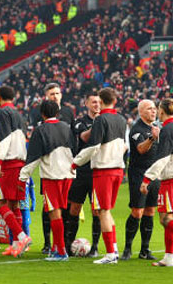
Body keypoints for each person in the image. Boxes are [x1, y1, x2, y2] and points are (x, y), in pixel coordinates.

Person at [72, 87, 127, 264]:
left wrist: (75, 162)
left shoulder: (100, 119)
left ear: (101, 102)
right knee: (107, 211)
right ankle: (115, 249)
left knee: (102, 211)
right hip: (118, 170)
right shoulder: (122, 119)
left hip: (103, 170)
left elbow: (93, 147)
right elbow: (124, 145)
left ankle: (110, 253)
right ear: (115, 101)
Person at [19, 100, 75, 261]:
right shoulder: (66, 128)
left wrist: (22, 178)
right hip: (68, 175)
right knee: (60, 211)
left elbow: (33, 158)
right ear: (57, 113)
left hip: (52, 176)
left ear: (42, 114)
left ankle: (61, 251)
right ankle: (58, 248)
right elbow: (74, 150)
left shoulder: (41, 130)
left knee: (53, 212)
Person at [0, 85, 32, 258]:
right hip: (21, 163)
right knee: (14, 204)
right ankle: (16, 244)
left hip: (8, 164)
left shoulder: (2, 112)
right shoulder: (19, 114)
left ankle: (22, 237)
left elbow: (4, 138)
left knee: (0, 203)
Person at [122, 99, 161, 261]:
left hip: (155, 174)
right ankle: (127, 248)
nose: (154, 111)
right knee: (137, 211)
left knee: (150, 211)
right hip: (139, 174)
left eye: (154, 109)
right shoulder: (137, 129)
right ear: (141, 112)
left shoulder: (157, 128)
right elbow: (140, 149)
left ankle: (145, 249)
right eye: (149, 109)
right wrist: (152, 138)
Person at [66, 92, 101, 257]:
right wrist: (99, 124)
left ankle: (94, 248)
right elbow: (85, 137)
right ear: (86, 104)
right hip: (81, 171)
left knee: (96, 210)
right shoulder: (80, 122)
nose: (96, 105)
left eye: (99, 102)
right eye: (93, 102)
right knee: (74, 208)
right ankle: (68, 245)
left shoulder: (105, 121)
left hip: (98, 172)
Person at [140, 98, 173, 267]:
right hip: (169, 179)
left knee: (166, 219)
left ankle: (169, 257)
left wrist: (147, 179)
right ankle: (169, 257)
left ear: (161, 111)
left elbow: (163, 158)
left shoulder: (167, 129)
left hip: (170, 180)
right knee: (165, 219)